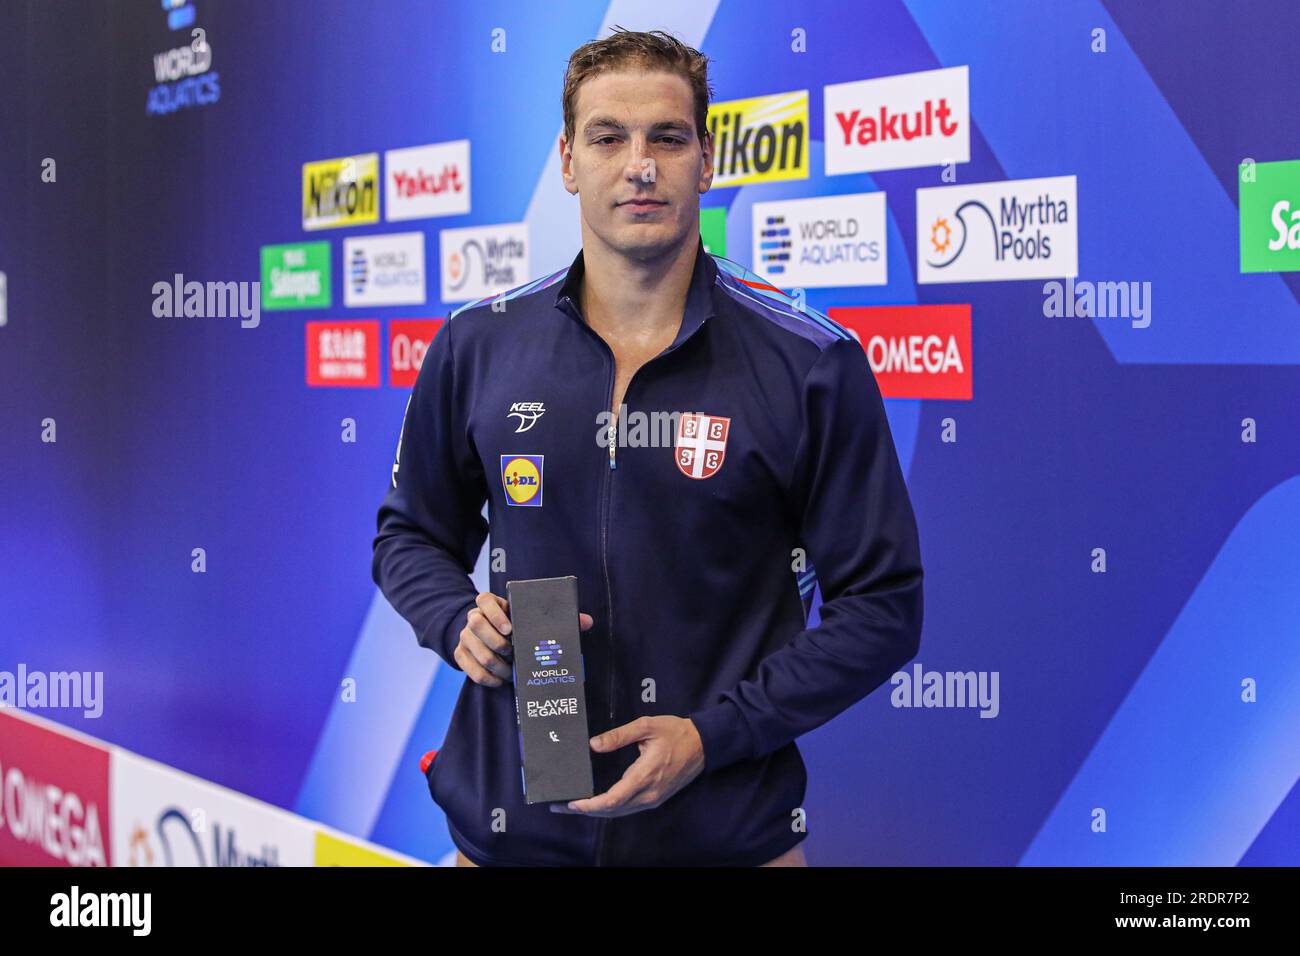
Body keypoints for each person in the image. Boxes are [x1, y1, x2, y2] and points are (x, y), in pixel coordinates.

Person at [372, 27, 923, 867]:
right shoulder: (475, 345)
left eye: (667, 138)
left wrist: (714, 736)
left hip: (726, 841)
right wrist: (454, 622)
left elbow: (883, 607)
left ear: (707, 158)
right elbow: (408, 535)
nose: (639, 164)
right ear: (567, 160)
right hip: (507, 841)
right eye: (608, 137)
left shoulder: (811, 363)